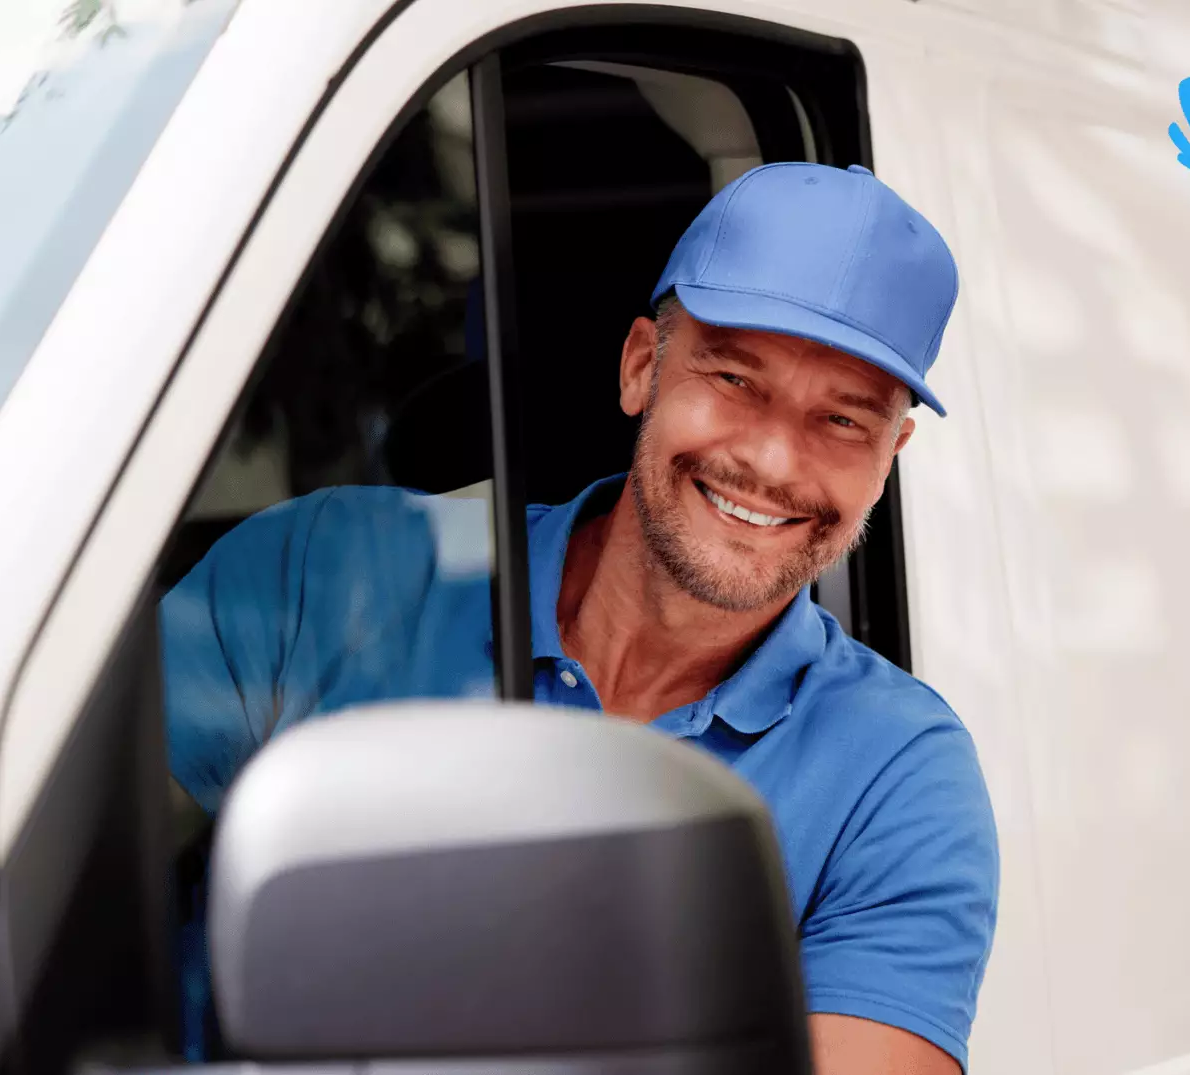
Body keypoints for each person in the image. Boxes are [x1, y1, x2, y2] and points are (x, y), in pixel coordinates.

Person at [164, 162, 999, 1074]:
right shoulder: (319, 576)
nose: (771, 459)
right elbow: (35, 876)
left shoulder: (901, 775)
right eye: (734, 378)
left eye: (844, 421)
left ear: (893, 452)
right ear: (642, 366)